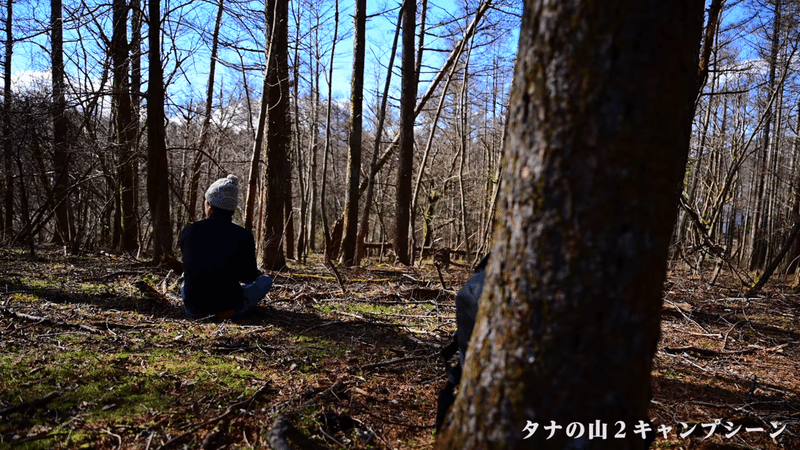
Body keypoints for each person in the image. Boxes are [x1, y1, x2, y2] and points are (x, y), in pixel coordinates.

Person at [179, 174, 272, 320]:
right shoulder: (244, 236)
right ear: (232, 209)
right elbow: (248, 277)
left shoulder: (189, 231)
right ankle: (227, 314)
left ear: (209, 205)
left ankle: (203, 313)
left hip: (195, 309)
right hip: (229, 306)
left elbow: (189, 266)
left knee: (184, 285)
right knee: (266, 281)